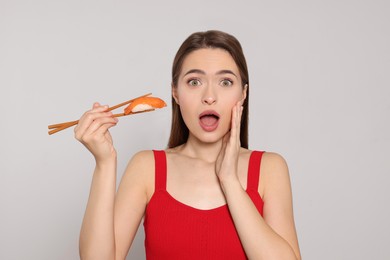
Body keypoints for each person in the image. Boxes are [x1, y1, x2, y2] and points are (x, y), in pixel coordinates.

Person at [75, 30, 301, 260]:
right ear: (175, 92)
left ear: (243, 93)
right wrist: (104, 163)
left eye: (225, 82)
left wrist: (229, 180)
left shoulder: (270, 168)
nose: (209, 96)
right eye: (194, 81)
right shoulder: (147, 167)